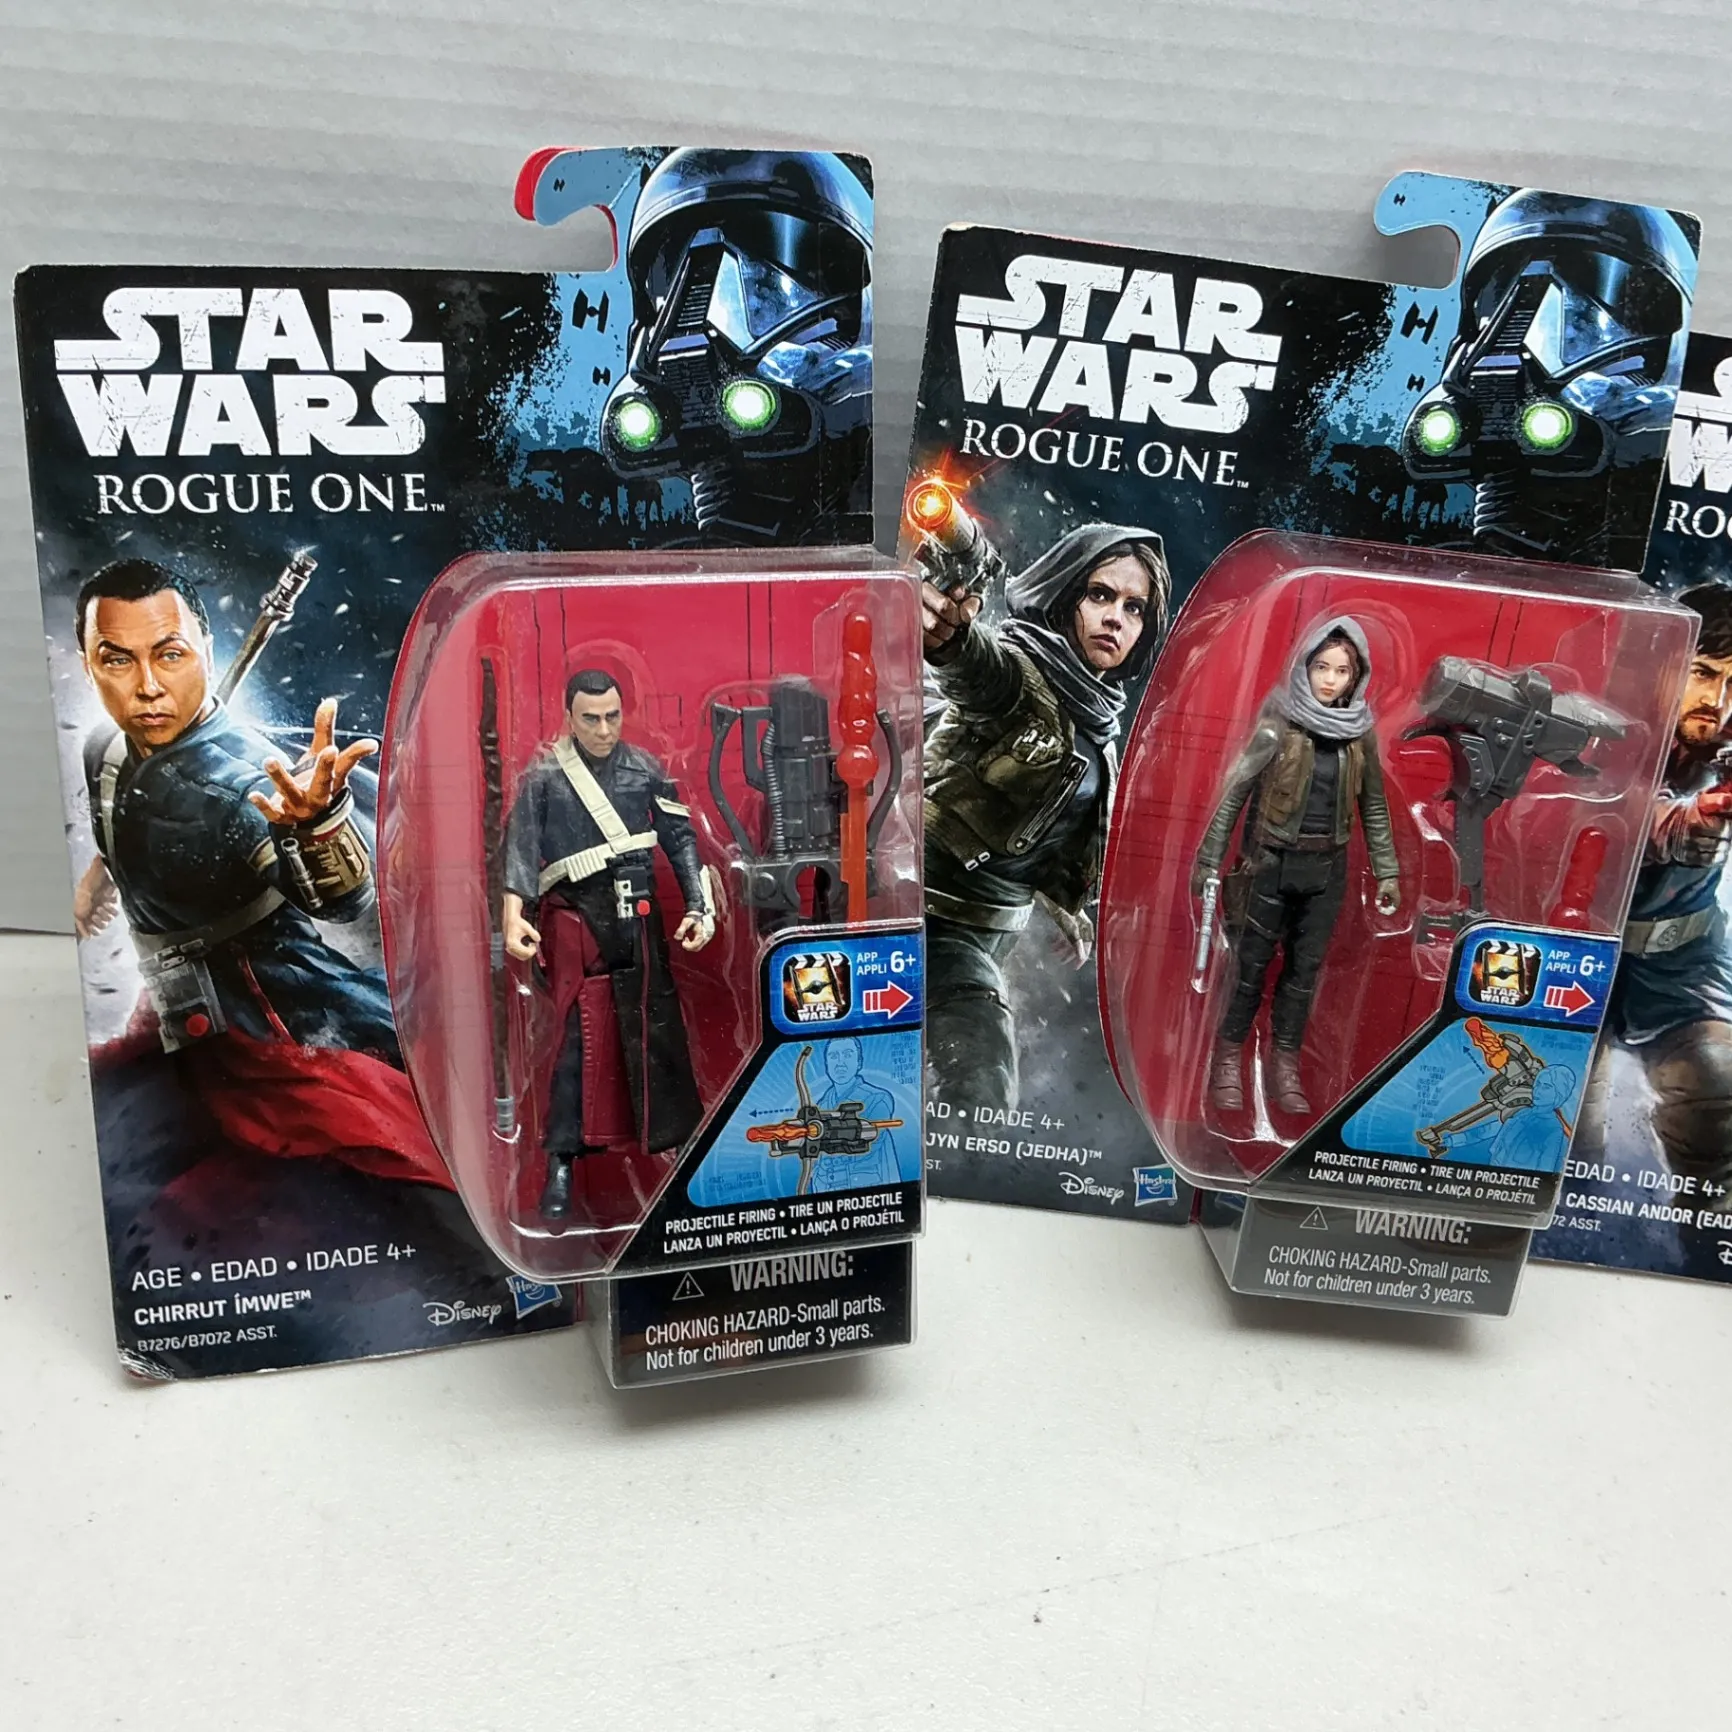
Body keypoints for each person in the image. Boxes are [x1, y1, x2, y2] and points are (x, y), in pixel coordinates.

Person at [72, 556, 449, 1188]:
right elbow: (124, 821)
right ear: (89, 664)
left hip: (277, 1021)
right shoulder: (104, 749)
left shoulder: (244, 784)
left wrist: (316, 826)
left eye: (169, 655)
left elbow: (342, 899)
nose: (148, 687)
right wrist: (95, 883)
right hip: (175, 1015)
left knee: (394, 1162)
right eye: (117, 660)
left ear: (205, 651)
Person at [919, 522, 1171, 1116]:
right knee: (978, 1086)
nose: (1115, 618)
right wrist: (949, 637)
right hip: (924, 913)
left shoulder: (1100, 730)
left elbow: (1052, 832)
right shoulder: (1022, 676)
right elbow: (978, 668)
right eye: (1100, 595)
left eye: (1134, 607)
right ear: (1065, 596)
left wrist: (1066, 907)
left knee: (971, 1090)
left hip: (987, 932)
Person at [502, 670, 717, 1219]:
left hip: (637, 916)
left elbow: (680, 838)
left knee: (656, 1029)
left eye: (612, 716)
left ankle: (677, 1146)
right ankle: (561, 1161)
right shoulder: (546, 777)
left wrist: (698, 904)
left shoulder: (644, 769)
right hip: (575, 920)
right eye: (591, 718)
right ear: (569, 718)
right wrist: (513, 913)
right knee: (575, 1038)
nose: (603, 729)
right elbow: (521, 845)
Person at [1194, 618, 1401, 1119]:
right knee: (1248, 970)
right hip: (1269, 864)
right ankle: (1227, 1058)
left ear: (1356, 676)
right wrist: (1208, 860)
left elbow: (1374, 806)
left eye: (1341, 671)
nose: (1329, 679)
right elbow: (1235, 790)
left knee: (1303, 975)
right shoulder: (1280, 720)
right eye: (1321, 667)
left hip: (1326, 872)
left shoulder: (1359, 734)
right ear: (1305, 667)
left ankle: (1283, 1063)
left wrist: (1388, 871)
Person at [1578, 585, 1732, 1181]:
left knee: (1715, 1096)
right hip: (1579, 957)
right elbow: (1608, 804)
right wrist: (1680, 826)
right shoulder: (1605, 730)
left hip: (1682, 968)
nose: (1717, 701)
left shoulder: (1720, 747)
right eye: (1704, 672)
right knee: (1565, 1122)